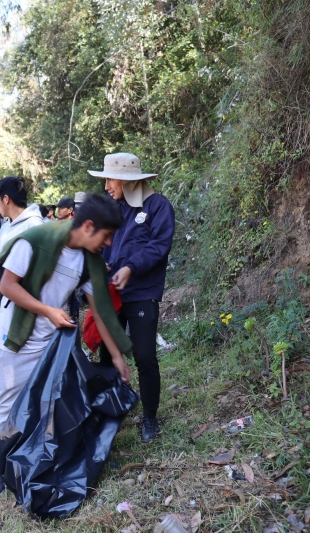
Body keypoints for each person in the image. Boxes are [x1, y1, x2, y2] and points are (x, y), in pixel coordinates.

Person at [0, 193, 131, 498]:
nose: (107, 244)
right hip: (17, 337)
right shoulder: (36, 239)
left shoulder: (88, 260)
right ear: (88, 226)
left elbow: (99, 310)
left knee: (51, 401)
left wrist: (117, 356)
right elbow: (7, 286)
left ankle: (35, 461)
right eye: (105, 237)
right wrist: (48, 310)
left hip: (51, 342)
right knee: (9, 402)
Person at [88, 152, 174, 443]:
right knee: (107, 354)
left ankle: (150, 417)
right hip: (112, 293)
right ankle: (109, 412)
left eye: (110, 179)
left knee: (145, 356)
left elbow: (159, 246)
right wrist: (104, 265)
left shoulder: (158, 207)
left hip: (142, 293)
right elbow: (101, 244)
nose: (106, 186)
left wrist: (130, 267)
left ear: (125, 180)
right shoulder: (111, 208)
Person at [0, 177, 44, 364]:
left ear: (6, 199)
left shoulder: (34, 227)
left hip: (19, 309)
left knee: (15, 365)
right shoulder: (6, 227)